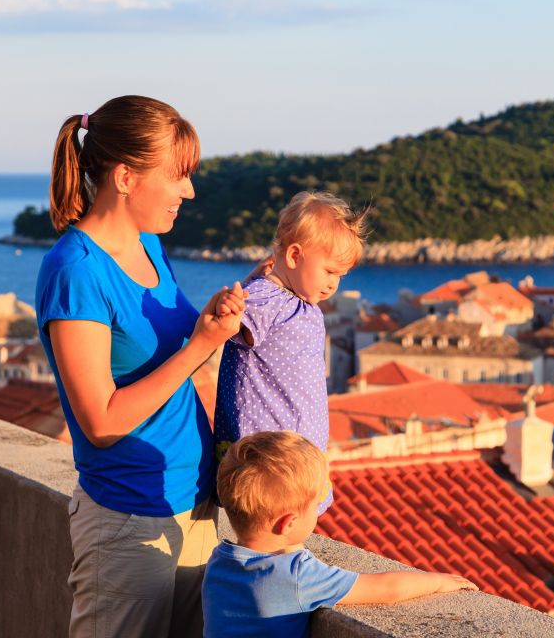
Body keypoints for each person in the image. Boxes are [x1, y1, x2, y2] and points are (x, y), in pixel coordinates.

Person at [36, 95, 252, 638]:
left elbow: (157, 353)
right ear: (126, 177)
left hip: (193, 504)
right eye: (178, 176)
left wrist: (211, 323)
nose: (190, 191)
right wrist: (197, 345)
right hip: (128, 522)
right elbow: (102, 422)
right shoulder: (75, 271)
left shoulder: (148, 244)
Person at [203, 431, 476, 637]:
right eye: (315, 503)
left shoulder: (219, 561)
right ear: (288, 523)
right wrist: (438, 581)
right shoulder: (296, 575)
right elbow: (387, 589)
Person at [213, 191, 366, 514]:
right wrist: (234, 302)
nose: (333, 284)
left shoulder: (297, 301)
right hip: (269, 459)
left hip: (291, 452)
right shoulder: (266, 299)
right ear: (295, 256)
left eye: (340, 276)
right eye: (329, 271)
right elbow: (225, 325)